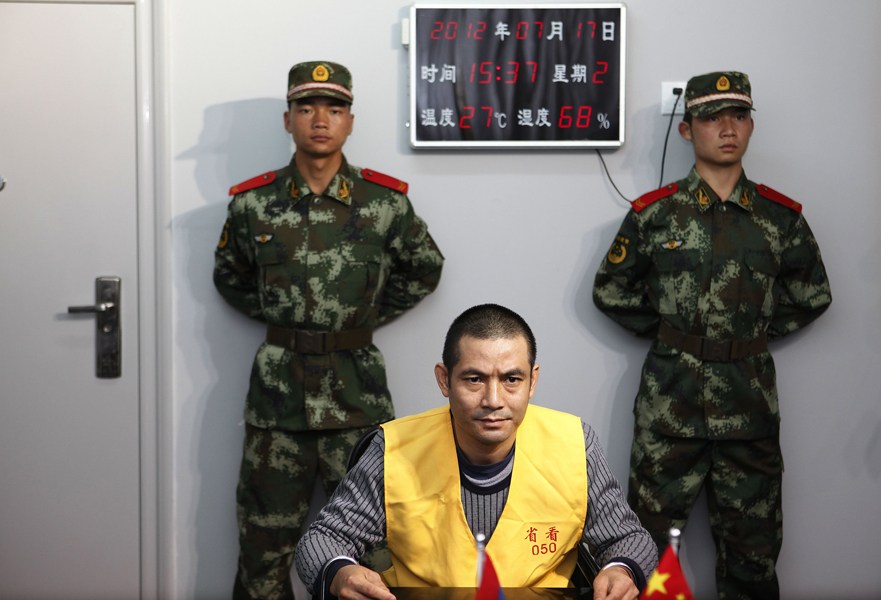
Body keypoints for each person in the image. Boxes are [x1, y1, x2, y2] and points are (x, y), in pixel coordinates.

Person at [593, 71, 832, 599]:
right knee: (645, 556)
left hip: (749, 411)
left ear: (751, 125)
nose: (728, 128)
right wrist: (677, 336)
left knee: (753, 558)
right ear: (686, 130)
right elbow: (611, 291)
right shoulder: (655, 216)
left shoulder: (780, 218)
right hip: (670, 408)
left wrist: (748, 335)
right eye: (711, 117)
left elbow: (812, 294)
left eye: (739, 116)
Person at [214, 60, 445, 600]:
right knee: (263, 550)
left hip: (356, 396)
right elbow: (230, 278)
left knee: (375, 549)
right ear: (287, 119)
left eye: (334, 108)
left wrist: (358, 322)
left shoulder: (384, 203)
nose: (320, 119)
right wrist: (287, 321)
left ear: (350, 121)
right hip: (278, 402)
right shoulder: (253, 204)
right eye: (306, 107)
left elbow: (425, 269)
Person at [295, 303, 658, 600]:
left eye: (511, 379)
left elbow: (629, 539)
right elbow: (322, 539)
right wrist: (339, 572)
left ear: (532, 381)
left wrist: (621, 569)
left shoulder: (574, 443)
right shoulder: (394, 447)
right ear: (444, 380)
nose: (493, 400)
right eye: (474, 379)